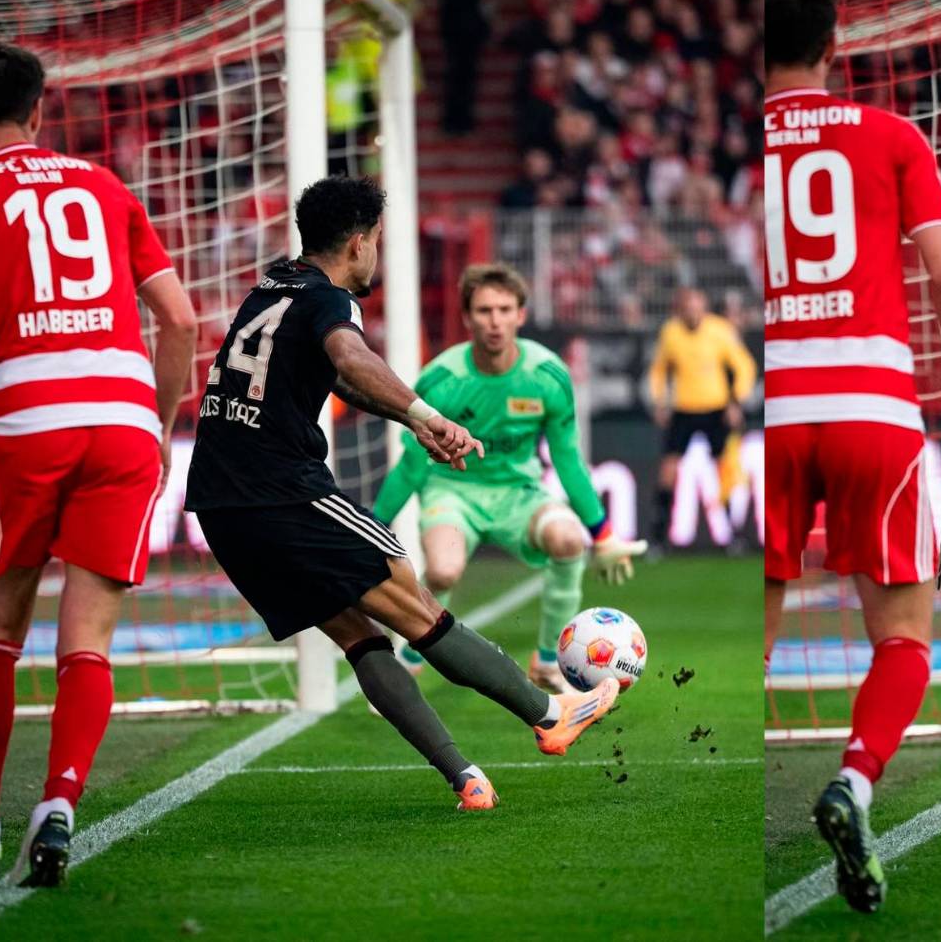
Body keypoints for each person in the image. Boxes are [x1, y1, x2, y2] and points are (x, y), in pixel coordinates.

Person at [185, 179, 622, 813]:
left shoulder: (272, 286)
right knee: (413, 599)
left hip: (221, 505)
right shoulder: (330, 300)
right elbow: (351, 357)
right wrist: (423, 414)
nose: (376, 257)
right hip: (280, 490)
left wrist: (406, 419)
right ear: (359, 243)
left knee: (358, 636)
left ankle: (464, 776)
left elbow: (339, 377)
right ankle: (550, 711)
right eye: (379, 244)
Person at [764, 0, 941, 913]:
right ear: (834, 41)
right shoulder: (891, 135)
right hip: (872, 406)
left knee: (756, 631)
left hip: (770, 402)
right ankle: (854, 784)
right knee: (901, 633)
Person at [0, 44, 197, 886]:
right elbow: (179, 322)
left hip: (23, 414)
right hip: (119, 417)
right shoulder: (106, 186)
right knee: (90, 642)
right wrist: (159, 421)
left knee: (0, 631)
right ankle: (60, 803)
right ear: (41, 111)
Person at [372, 263, 647, 692]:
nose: (495, 320)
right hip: (453, 490)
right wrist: (372, 529)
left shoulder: (547, 376)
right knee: (443, 571)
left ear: (521, 314)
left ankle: (547, 662)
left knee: (569, 540)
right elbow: (411, 465)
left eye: (504, 309)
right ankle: (409, 657)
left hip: (520, 494)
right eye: (484, 310)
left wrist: (604, 533)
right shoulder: (442, 380)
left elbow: (568, 460)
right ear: (467, 318)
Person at [649, 287, 756, 550]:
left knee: (725, 470)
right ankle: (658, 536)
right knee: (669, 469)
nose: (692, 314)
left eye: (696, 308)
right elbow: (659, 370)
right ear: (680, 310)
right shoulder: (671, 333)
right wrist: (660, 401)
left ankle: (734, 534)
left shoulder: (720, 330)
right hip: (683, 409)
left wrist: (735, 401)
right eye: (687, 309)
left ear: (704, 308)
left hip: (716, 408)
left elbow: (744, 366)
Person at [437, 0, 489, 136]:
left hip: (459, 32)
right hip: (463, 33)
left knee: (460, 79)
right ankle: (458, 121)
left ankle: (457, 121)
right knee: (461, 79)